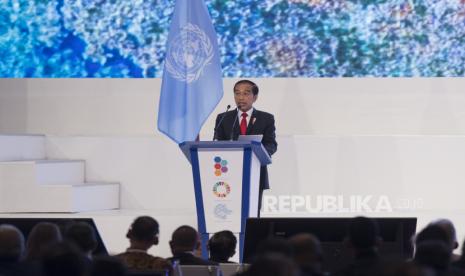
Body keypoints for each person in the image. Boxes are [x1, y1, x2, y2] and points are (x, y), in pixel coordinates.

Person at [214, 79, 278, 213]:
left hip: (255, 173)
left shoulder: (266, 118)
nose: (240, 97)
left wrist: (259, 152)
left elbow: (271, 144)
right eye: (237, 93)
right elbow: (217, 142)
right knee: (229, 211)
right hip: (228, 174)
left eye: (246, 93)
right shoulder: (223, 118)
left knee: (252, 213)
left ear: (255, 97)